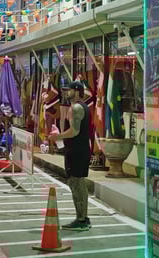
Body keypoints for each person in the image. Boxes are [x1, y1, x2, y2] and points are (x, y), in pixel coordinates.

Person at [46, 80, 92, 231]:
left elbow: (74, 131)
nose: (67, 93)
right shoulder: (82, 107)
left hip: (77, 151)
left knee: (75, 184)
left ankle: (81, 220)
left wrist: (56, 137)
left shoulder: (76, 108)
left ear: (77, 91)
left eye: (70, 90)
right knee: (79, 183)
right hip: (81, 150)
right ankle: (84, 218)